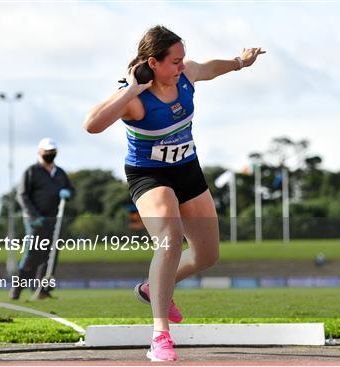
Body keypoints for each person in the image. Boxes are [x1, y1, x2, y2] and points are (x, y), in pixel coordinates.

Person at [84, 25, 264, 361]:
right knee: (169, 236)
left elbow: (210, 68)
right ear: (153, 62)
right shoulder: (135, 100)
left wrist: (240, 62)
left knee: (207, 255)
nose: (183, 66)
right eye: (176, 61)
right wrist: (130, 89)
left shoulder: (186, 77)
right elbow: (92, 124)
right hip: (149, 176)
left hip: (187, 170)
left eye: (183, 60)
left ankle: (154, 288)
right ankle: (160, 336)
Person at [9, 137, 75, 300]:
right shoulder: (31, 171)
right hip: (35, 221)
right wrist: (33, 216)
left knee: (51, 255)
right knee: (32, 254)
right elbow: (22, 195)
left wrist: (68, 193)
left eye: (52, 152)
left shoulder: (60, 173)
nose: (49, 154)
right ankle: (16, 290)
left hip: (55, 221)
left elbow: (71, 190)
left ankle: (43, 290)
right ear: (39, 152)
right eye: (46, 152)